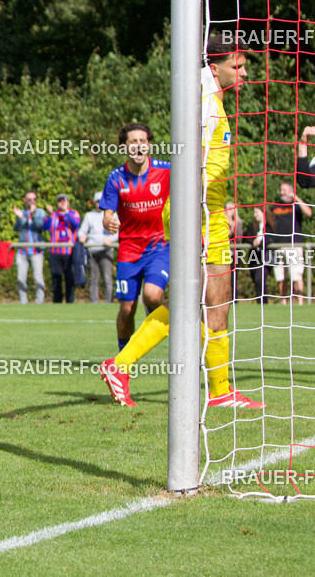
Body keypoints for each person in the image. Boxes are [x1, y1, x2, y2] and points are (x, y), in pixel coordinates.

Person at [101, 38, 264, 409]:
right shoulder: (206, 102)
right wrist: (202, 209)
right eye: (237, 66)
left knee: (202, 303)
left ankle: (213, 387)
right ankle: (128, 366)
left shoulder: (208, 97)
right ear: (216, 66)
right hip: (200, 211)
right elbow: (199, 162)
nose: (244, 73)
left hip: (206, 208)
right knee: (211, 299)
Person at [96, 124, 171, 406]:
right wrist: (109, 221)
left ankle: (127, 359)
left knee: (152, 296)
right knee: (127, 308)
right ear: (124, 147)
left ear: (149, 145)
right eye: (132, 142)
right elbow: (106, 215)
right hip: (128, 250)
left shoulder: (166, 170)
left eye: (142, 141)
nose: (138, 146)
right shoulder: (115, 178)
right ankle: (122, 362)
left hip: (159, 248)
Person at [266, 181, 311, 304]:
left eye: (284, 190)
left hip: (294, 245)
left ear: (290, 191)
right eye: (281, 190)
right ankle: (283, 301)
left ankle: (301, 301)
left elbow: (309, 213)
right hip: (278, 246)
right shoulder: (275, 207)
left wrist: (296, 198)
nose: (281, 192)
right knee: (280, 276)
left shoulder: (295, 205)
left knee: (296, 275)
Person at [77, 191, 116, 304]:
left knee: (107, 278)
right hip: (92, 251)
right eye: (98, 202)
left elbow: (120, 232)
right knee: (93, 279)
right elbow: (82, 231)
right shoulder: (90, 215)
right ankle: (94, 303)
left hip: (106, 250)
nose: (100, 204)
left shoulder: (113, 214)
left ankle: (108, 303)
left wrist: (112, 239)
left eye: (102, 201)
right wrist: (82, 236)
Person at [43, 194, 81, 304]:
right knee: (56, 279)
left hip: (69, 252)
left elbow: (76, 223)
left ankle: (70, 302)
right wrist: (50, 215)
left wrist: (66, 212)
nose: (62, 202)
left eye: (64, 200)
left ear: (68, 202)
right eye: (59, 201)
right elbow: (45, 227)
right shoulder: (53, 215)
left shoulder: (73, 213)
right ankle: (57, 302)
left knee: (70, 278)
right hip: (55, 252)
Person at [13, 191, 46, 304]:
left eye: (34, 199)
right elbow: (16, 229)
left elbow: (40, 226)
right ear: (25, 201)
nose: (32, 202)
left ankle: (39, 301)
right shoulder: (21, 212)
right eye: (30, 199)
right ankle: (23, 301)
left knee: (38, 277)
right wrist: (20, 218)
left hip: (36, 251)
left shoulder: (40, 212)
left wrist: (33, 215)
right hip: (22, 251)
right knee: (20, 278)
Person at [242, 206, 271, 303]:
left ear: (263, 212)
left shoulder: (269, 226)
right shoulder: (252, 226)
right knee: (256, 280)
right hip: (254, 258)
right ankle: (260, 302)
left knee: (259, 278)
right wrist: (253, 242)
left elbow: (272, 238)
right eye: (254, 212)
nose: (255, 215)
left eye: (257, 212)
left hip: (266, 258)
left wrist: (261, 242)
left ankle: (263, 302)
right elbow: (247, 238)